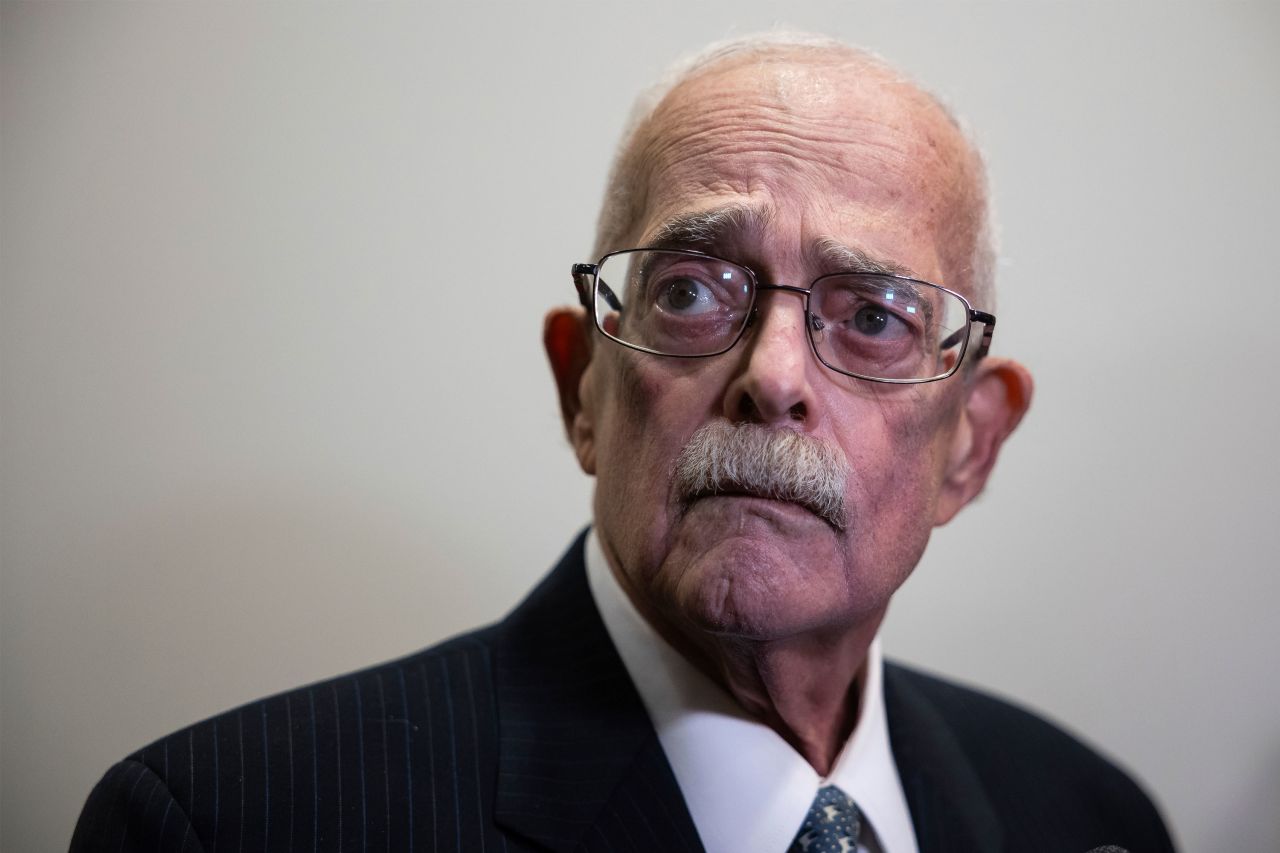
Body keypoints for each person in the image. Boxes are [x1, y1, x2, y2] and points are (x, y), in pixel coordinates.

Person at [71, 33, 1175, 853]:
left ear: (969, 447)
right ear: (581, 387)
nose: (773, 376)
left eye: (873, 316)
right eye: (691, 289)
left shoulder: (1084, 813)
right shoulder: (222, 825)